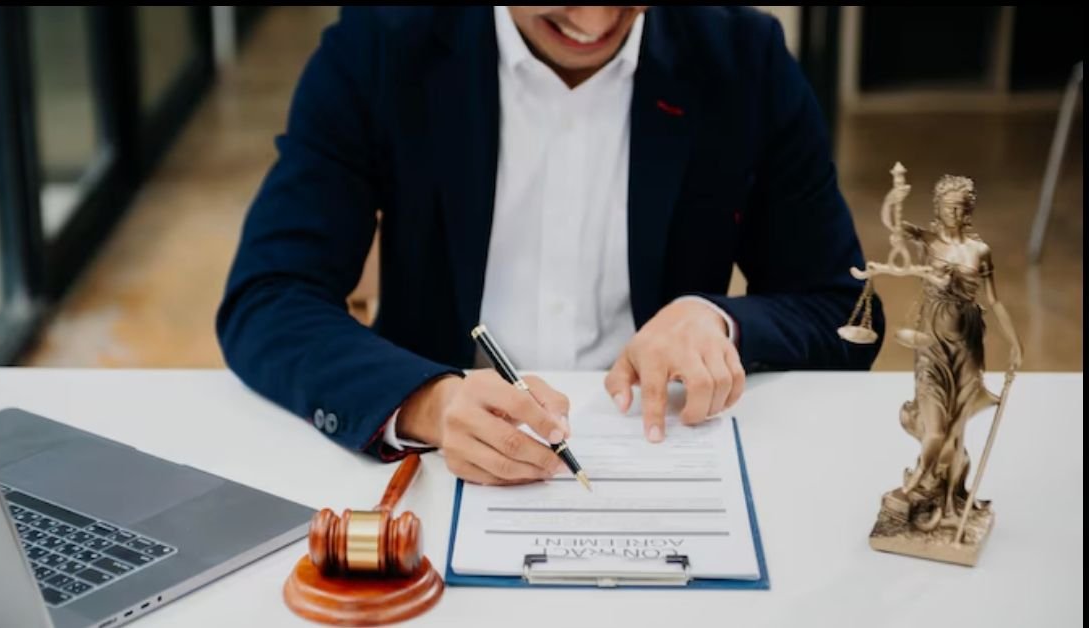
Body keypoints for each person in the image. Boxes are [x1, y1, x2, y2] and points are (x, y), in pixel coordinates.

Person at [217, 6, 883, 485]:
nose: (594, 23)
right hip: (440, 468)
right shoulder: (381, 45)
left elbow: (844, 309)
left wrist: (720, 319)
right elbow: (269, 297)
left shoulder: (745, 59)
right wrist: (430, 402)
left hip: (667, 454)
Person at [875, 175, 1022, 528]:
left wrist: (1014, 343)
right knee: (934, 427)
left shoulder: (979, 251)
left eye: (960, 206)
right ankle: (911, 489)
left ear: (969, 209)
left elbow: (994, 300)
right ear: (937, 208)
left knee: (956, 431)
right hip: (931, 345)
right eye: (947, 206)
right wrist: (893, 197)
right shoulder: (929, 241)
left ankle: (948, 498)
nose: (953, 212)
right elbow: (894, 226)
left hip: (968, 345)